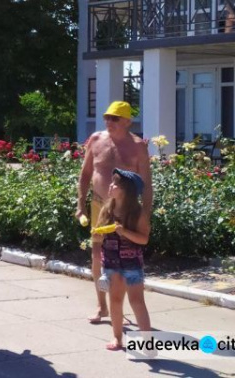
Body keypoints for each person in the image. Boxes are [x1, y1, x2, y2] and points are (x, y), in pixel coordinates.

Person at [76, 101, 152, 325]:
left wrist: (145, 214)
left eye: (115, 118)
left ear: (127, 121)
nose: (109, 121)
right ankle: (102, 306)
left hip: (127, 208)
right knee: (98, 256)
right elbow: (86, 174)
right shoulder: (97, 140)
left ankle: (125, 305)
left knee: (127, 255)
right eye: (107, 117)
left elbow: (147, 183)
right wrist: (80, 204)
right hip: (101, 205)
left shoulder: (138, 146)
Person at [95, 168, 151, 351]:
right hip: (111, 263)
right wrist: (99, 231)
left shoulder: (138, 213)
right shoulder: (107, 208)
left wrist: (124, 231)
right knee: (115, 300)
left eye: (115, 184)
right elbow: (98, 231)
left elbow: (144, 239)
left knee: (137, 301)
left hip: (132, 263)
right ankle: (117, 338)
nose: (110, 186)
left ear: (127, 190)